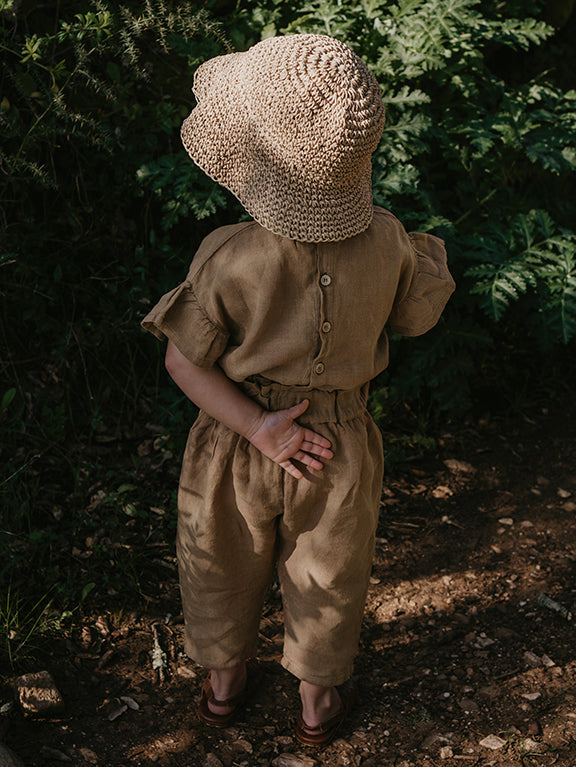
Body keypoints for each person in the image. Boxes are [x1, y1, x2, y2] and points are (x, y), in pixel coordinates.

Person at [142, 33, 455, 746]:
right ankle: (316, 702)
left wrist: (259, 427)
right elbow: (415, 316)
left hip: (236, 441)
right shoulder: (389, 240)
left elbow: (183, 364)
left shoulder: (230, 255)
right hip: (339, 447)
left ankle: (225, 686)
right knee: (331, 571)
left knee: (219, 560)